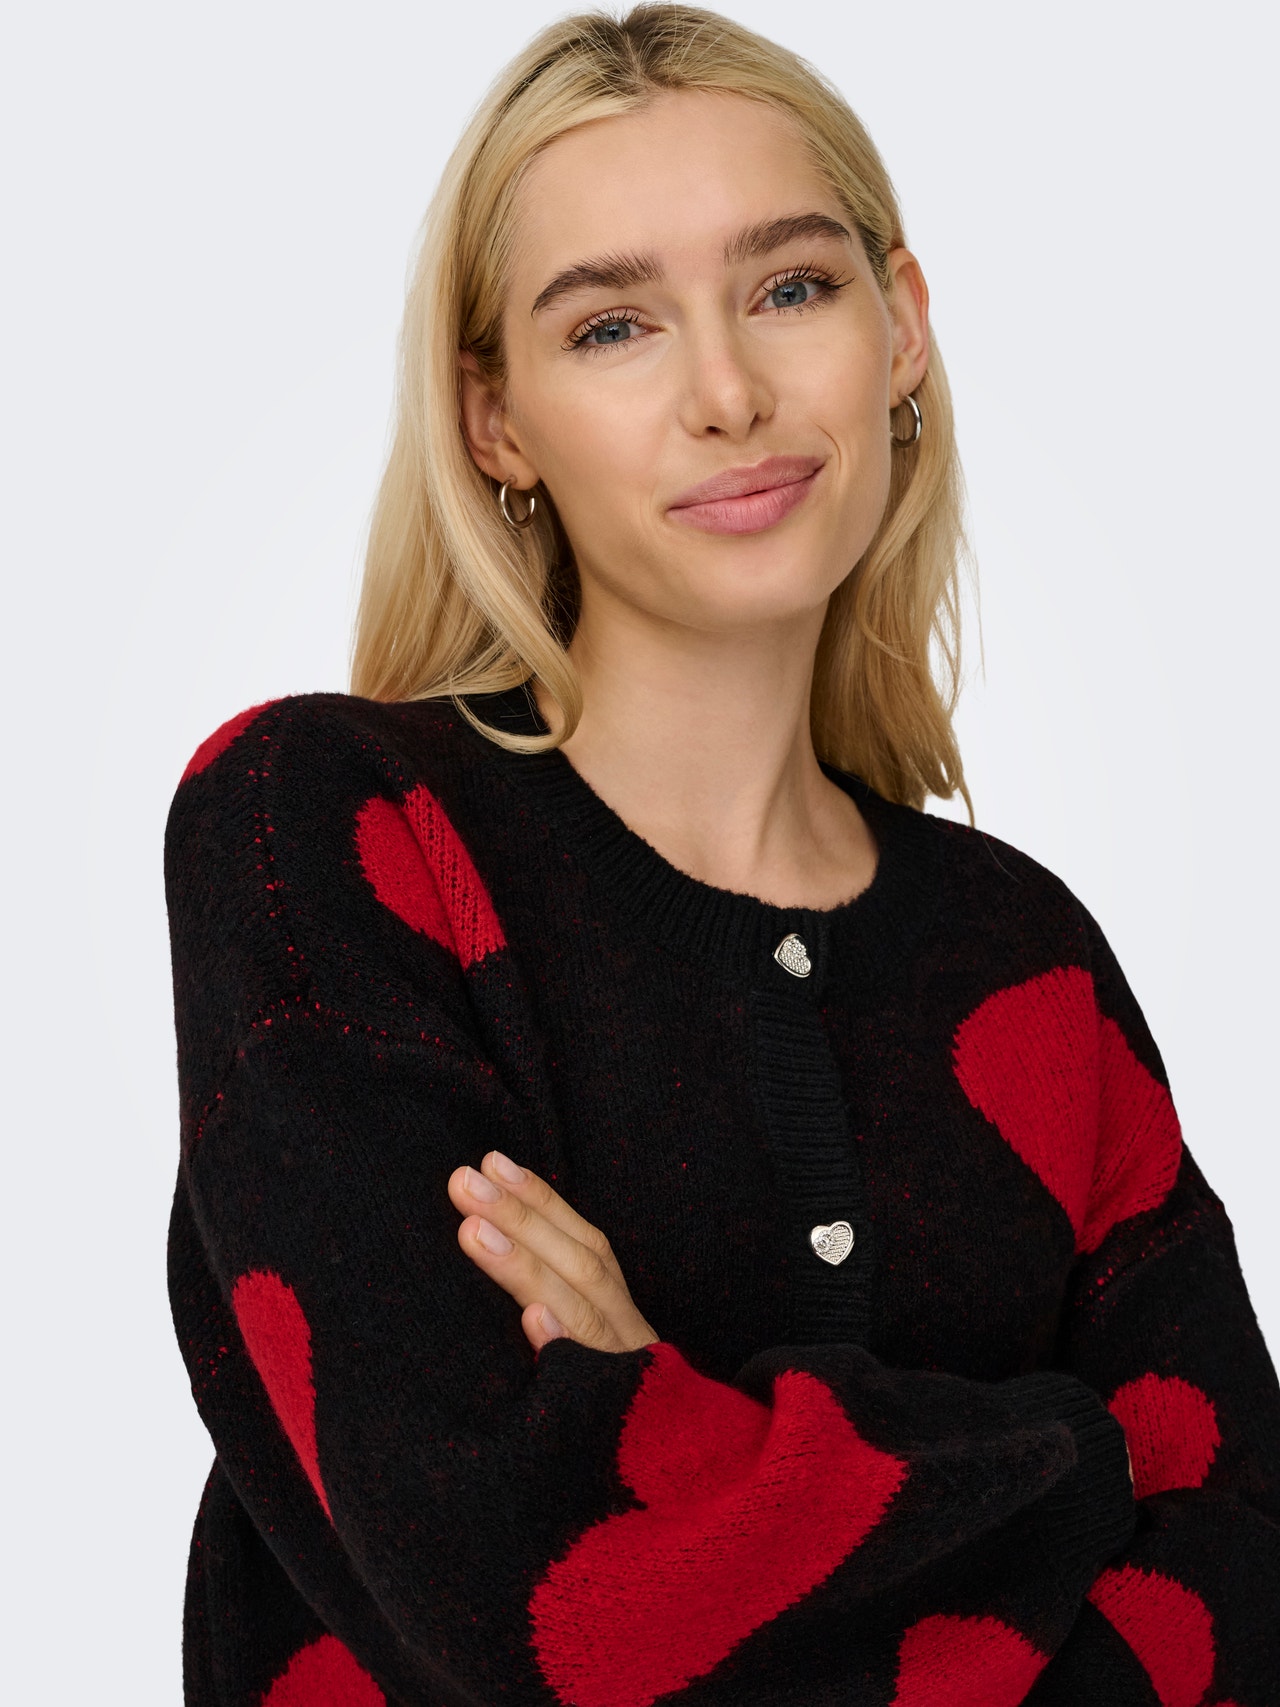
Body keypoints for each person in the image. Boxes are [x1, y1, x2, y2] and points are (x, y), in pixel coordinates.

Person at [164, 6, 1280, 1704]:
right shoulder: (331, 830)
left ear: (901, 329)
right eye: (613, 324)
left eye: (792, 288)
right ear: (496, 420)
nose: (730, 395)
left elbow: (1244, 1589)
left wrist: (660, 1424)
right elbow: (511, 1588)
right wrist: (1081, 1458)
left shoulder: (1025, 956)